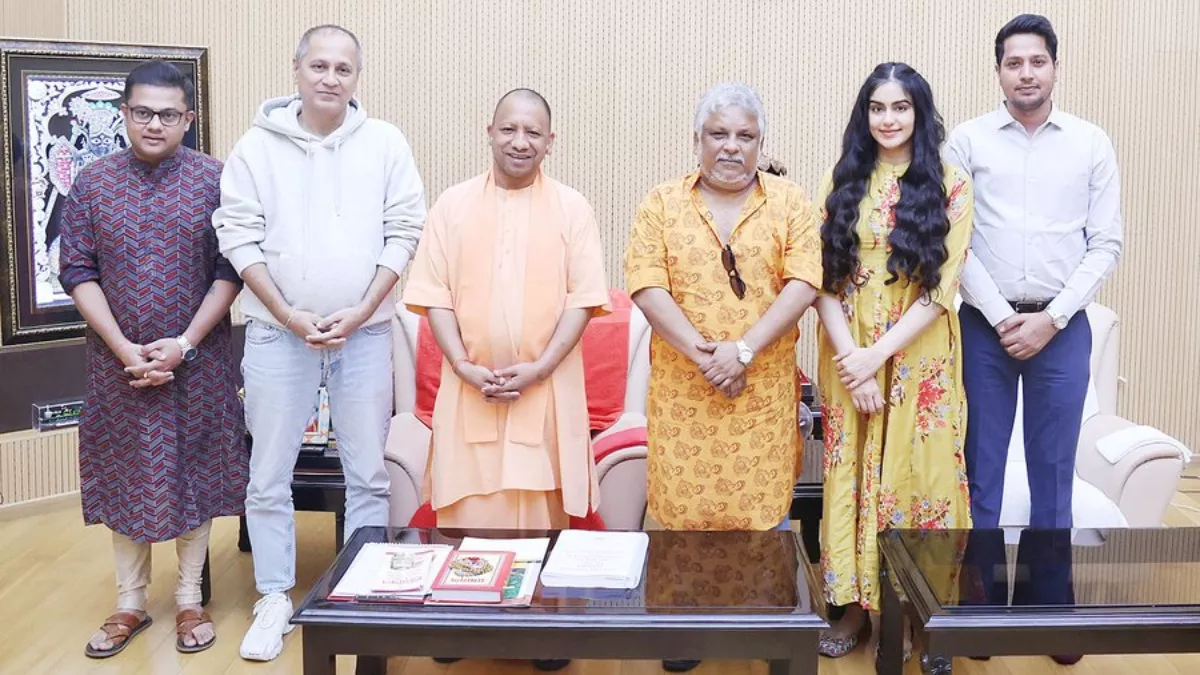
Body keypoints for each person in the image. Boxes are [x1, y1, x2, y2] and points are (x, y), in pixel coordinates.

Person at [212, 24, 426, 661]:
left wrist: (362, 311)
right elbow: (238, 235)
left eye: (343, 69)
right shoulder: (256, 147)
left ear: (357, 77)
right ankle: (274, 596)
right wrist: (288, 313)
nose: (331, 78)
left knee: (368, 475)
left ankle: (363, 591)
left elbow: (404, 229)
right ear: (297, 69)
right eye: (319, 66)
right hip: (278, 334)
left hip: (366, 334)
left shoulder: (385, 142)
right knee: (267, 474)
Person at [403, 88, 608, 672]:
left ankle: (543, 626)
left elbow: (584, 299)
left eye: (533, 132)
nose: (521, 142)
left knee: (542, 510)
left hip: (547, 388)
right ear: (489, 131)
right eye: (509, 129)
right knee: (468, 505)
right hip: (468, 386)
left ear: (550, 141)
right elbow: (434, 296)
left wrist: (541, 367)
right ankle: (461, 616)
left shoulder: (572, 208)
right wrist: (461, 365)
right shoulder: (452, 205)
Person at [625, 82, 822, 672]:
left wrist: (743, 351)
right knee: (683, 514)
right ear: (697, 141)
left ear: (761, 143)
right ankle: (682, 630)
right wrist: (708, 356)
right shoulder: (662, 203)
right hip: (684, 395)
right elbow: (645, 284)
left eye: (744, 135)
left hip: (760, 397)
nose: (731, 146)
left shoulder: (790, 202)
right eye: (719, 134)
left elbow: (805, 282)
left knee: (761, 515)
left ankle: (761, 626)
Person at [946, 16, 1122, 666]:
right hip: (983, 327)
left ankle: (1051, 609)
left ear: (1055, 67)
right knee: (981, 474)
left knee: (1053, 475)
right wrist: (1000, 317)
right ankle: (981, 610)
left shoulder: (1090, 143)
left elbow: (1106, 243)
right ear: (998, 71)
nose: (1026, 73)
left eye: (1037, 61)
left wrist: (1052, 317)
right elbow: (955, 241)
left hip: (1063, 326)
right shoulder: (966, 141)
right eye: (1014, 62)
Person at [59, 59, 247, 659]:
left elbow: (232, 269)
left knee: (194, 470)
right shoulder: (92, 183)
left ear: (188, 118)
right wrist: (124, 349)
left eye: (168, 114)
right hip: (117, 365)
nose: (154, 124)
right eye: (142, 112)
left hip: (198, 360)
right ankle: (130, 602)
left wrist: (184, 344)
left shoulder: (217, 179)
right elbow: (77, 271)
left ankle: (190, 598)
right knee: (126, 473)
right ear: (124, 113)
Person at [813, 62, 974, 660]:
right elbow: (821, 281)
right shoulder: (844, 180)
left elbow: (941, 290)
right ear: (865, 115)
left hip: (917, 359)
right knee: (850, 475)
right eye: (877, 108)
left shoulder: (952, 184)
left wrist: (877, 358)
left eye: (900, 107)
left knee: (913, 480)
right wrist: (853, 362)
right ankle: (853, 608)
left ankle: (906, 612)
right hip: (848, 351)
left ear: (919, 113)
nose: (888, 119)